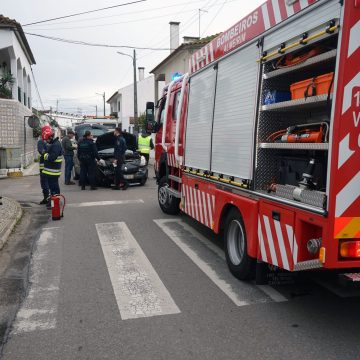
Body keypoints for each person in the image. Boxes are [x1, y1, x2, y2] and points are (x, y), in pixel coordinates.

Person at [42, 128, 63, 204]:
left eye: (46, 139)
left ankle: (55, 203)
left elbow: (52, 158)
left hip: (53, 172)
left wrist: (45, 155)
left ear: (50, 137)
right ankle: (54, 202)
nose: (46, 141)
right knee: (53, 188)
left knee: (54, 188)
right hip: (51, 171)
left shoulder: (56, 145)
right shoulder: (54, 144)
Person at [37, 126, 50, 205]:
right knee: (49, 182)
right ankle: (49, 198)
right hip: (50, 166)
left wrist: (46, 154)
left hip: (44, 166)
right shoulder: (51, 141)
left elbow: (41, 151)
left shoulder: (41, 141)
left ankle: (47, 198)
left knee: (45, 182)